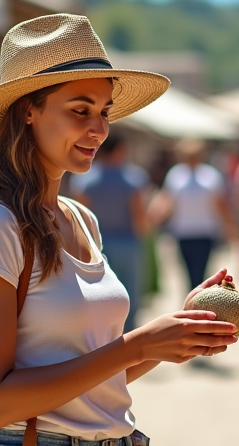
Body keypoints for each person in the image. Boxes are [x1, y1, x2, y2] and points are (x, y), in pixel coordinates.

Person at [0, 13, 238, 446]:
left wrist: (170, 335)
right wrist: (136, 344)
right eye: (81, 110)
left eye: (104, 112)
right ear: (28, 111)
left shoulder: (81, 218)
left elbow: (93, 386)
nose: (99, 129)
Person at [69, 132, 150, 331]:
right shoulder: (133, 178)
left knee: (100, 291)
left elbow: (80, 218)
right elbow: (139, 217)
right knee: (130, 291)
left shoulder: (85, 179)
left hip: (97, 244)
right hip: (128, 243)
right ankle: (128, 334)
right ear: (120, 150)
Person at [149, 138, 238, 290]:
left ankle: (199, 304)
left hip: (205, 232)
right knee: (188, 275)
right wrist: (154, 218)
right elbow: (167, 201)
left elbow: (220, 204)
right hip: (183, 232)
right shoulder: (176, 175)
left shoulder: (210, 176)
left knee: (201, 274)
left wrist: (230, 228)